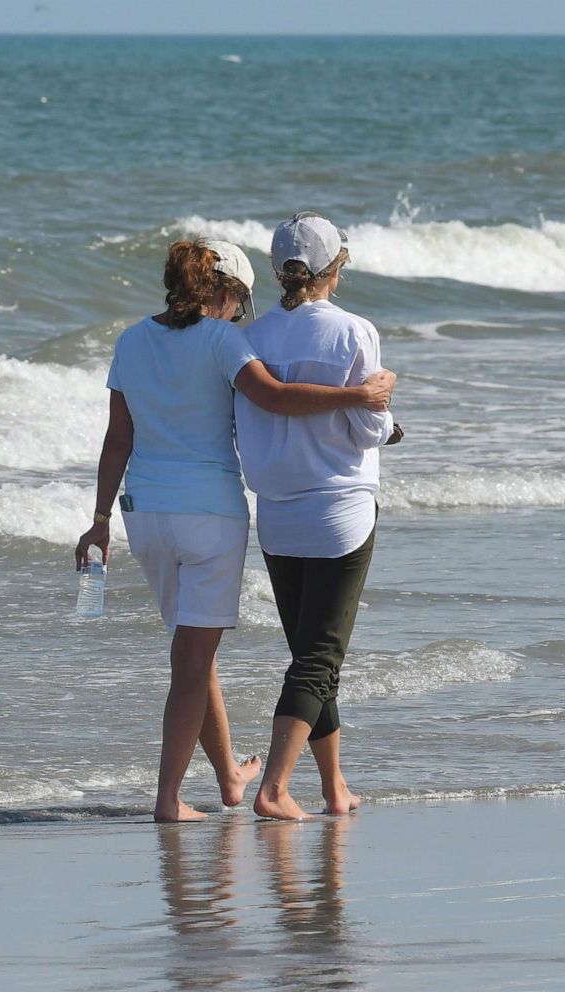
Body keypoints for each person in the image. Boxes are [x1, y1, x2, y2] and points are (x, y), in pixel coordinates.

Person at [74, 238, 394, 822]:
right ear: (222, 292)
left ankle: (228, 777)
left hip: (143, 515)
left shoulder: (130, 340)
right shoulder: (224, 341)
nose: (240, 314)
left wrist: (97, 523)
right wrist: (358, 394)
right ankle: (169, 800)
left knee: (195, 652)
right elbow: (274, 398)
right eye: (240, 302)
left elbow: (117, 438)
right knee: (193, 660)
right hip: (209, 516)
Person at [234, 212, 397, 820]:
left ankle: (334, 788)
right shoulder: (354, 331)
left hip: (275, 513)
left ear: (279, 271)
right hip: (339, 510)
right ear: (336, 267)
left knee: (310, 653)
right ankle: (274, 790)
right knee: (318, 659)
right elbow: (367, 429)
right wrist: (385, 401)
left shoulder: (248, 338)